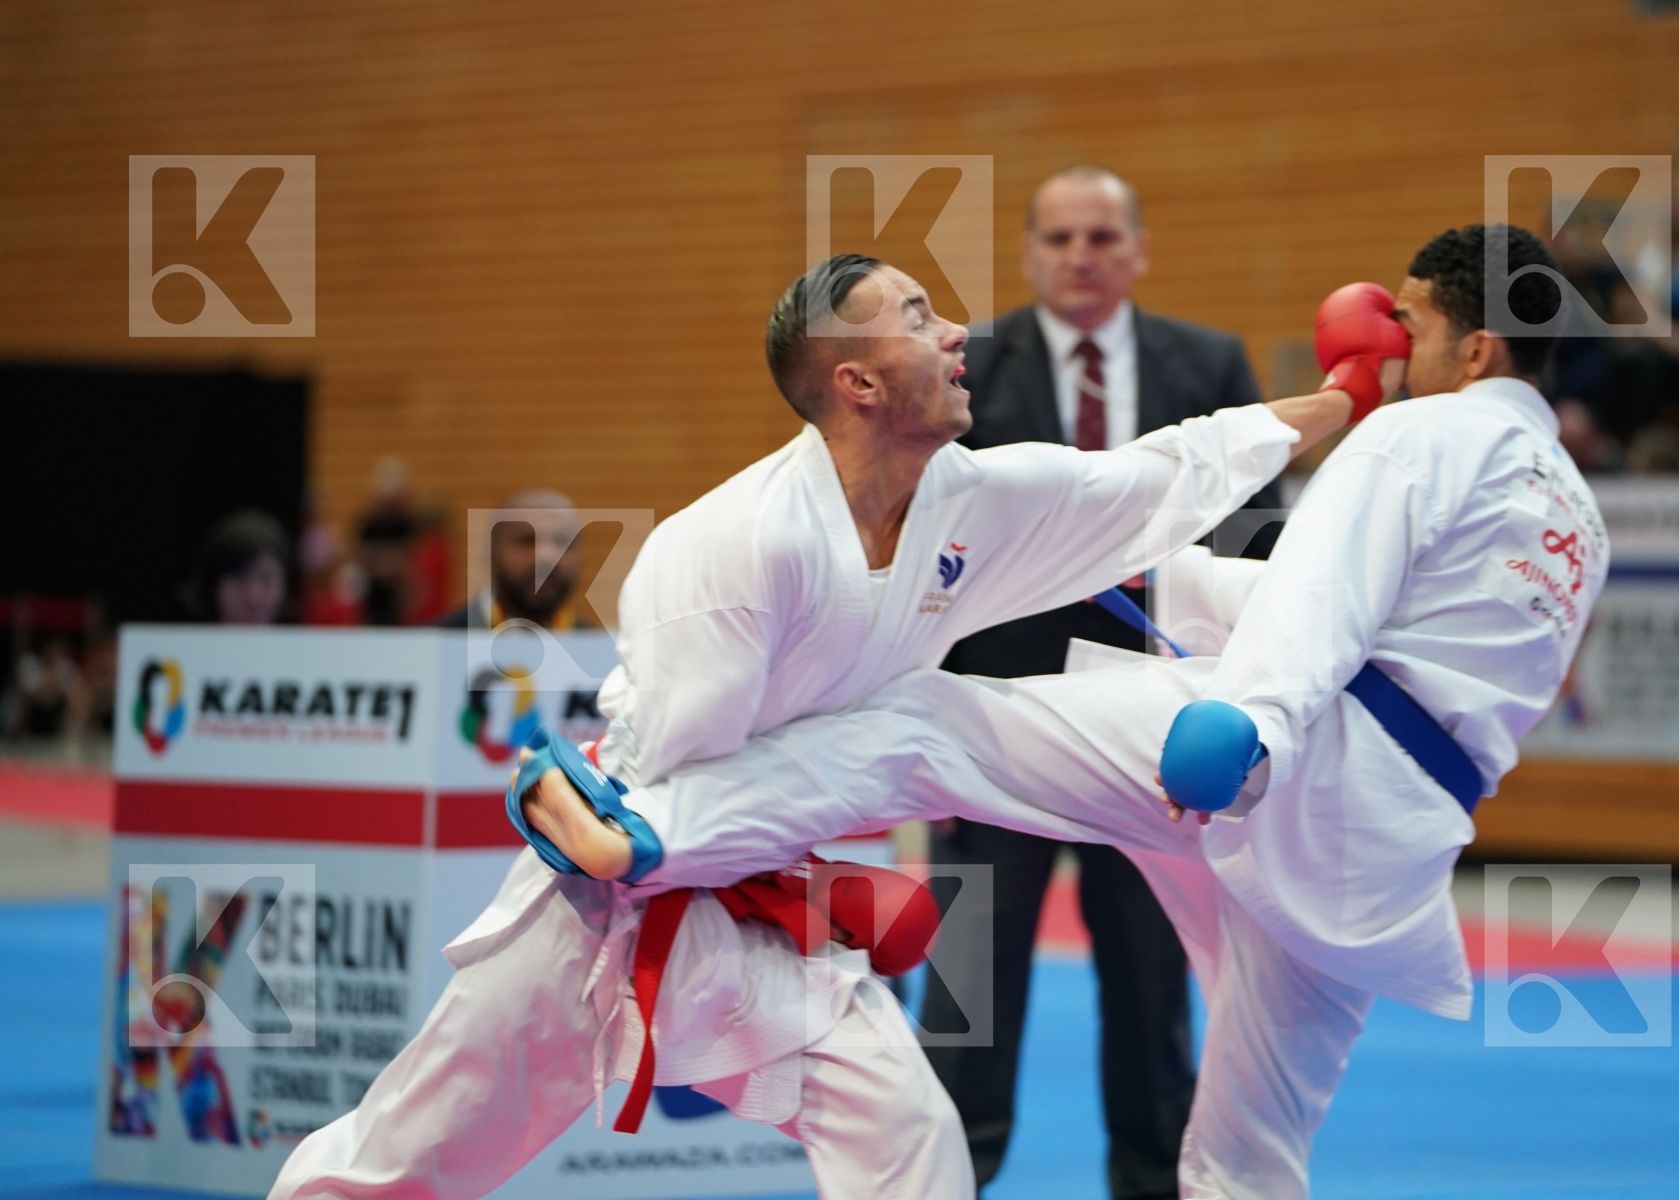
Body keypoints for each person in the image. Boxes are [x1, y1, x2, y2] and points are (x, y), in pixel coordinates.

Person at [521, 224, 1605, 1198]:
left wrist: (1256, 723)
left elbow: (1327, 599)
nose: (1385, 333)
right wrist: (1169, 585)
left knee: (925, 726)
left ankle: (646, 834)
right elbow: (1405, 644)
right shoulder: (1575, 515)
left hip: (1288, 758)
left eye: (1406, 318)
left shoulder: (1422, 436)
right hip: (1387, 845)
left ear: (1473, 350)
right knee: (1247, 1153)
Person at [270, 253, 1377, 1200]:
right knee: (398, 1165)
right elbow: (686, 779)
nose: (958, 333)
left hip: (759, 895)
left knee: (911, 1141)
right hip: (603, 905)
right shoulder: (739, 552)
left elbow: (1154, 478)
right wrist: (655, 844)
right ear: (855, 382)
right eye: (917, 317)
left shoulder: (963, 499)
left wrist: (1343, 400)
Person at [921, 165, 1275, 1199]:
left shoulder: (1207, 364)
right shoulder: (966, 363)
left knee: (1152, 991)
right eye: (1062, 238)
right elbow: (921, 542)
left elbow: (1260, 535)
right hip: (989, 719)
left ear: (1138, 251)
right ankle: (944, 1178)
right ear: (1032, 253)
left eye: (1101, 238)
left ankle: (1152, 1184)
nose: (1082, 255)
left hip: (1156, 731)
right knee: (968, 990)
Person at [437, 488, 591, 630]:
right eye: (526, 541)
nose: (546, 557)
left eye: (562, 542)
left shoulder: (600, 652)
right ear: (491, 554)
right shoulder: (433, 644)